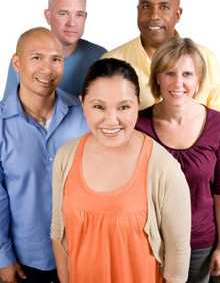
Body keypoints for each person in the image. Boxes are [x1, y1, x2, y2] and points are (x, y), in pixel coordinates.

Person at [51, 58, 191, 283]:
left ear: (137, 104)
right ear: (82, 103)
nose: (111, 120)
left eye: (124, 107)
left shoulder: (163, 168)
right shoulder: (65, 157)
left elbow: (178, 256)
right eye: (98, 106)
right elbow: (58, 232)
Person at [0, 27, 88, 283]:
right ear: (17, 63)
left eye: (56, 59)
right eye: (36, 57)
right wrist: (3, 257)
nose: (47, 69)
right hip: (26, 261)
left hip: (80, 254)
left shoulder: (83, 114)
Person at [136, 37, 220, 283]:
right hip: (150, 243)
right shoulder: (138, 125)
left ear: (198, 79)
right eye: (169, 73)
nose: (178, 83)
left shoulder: (217, 125)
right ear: (157, 78)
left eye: (187, 74)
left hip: (200, 245)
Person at [102, 0, 220, 110]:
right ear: (138, 11)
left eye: (164, 7)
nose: (154, 16)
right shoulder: (111, 62)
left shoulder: (206, 58)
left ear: (178, 14)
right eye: (146, 7)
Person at [3, 0, 107, 100]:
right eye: (63, 14)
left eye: (79, 15)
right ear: (48, 16)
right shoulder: (25, 55)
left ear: (85, 17)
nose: (72, 23)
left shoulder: (100, 57)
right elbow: (7, 110)